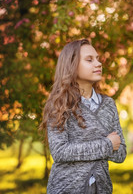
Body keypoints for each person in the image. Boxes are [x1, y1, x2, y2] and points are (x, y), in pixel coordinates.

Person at [39, 38, 127, 194]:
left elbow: (120, 154)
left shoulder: (108, 105)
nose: (98, 63)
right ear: (72, 65)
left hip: (102, 188)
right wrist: (106, 144)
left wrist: (84, 143)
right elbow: (60, 152)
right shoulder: (59, 104)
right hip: (66, 188)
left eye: (98, 59)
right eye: (89, 60)